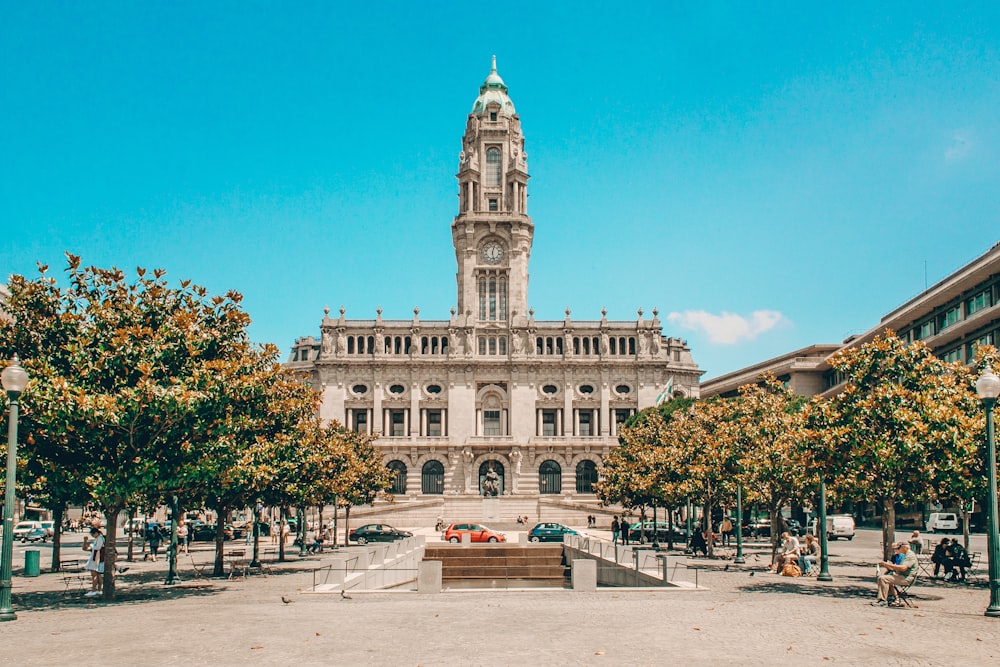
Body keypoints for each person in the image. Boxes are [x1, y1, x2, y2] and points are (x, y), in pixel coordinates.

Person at [873, 542, 917, 607]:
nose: (897, 550)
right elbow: (899, 568)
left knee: (883, 578)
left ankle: (882, 600)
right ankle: (891, 598)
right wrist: (887, 566)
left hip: (906, 578)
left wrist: (888, 564)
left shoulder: (910, 555)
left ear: (904, 547)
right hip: (902, 576)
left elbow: (903, 568)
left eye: (898, 548)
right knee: (886, 577)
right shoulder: (906, 555)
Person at [83, 525, 105, 597]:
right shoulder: (99, 538)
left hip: (96, 557)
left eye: (93, 534)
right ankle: (98, 589)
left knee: (94, 574)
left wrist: (92, 546)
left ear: (96, 533)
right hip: (96, 557)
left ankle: (94, 590)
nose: (92, 536)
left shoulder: (100, 538)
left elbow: (98, 547)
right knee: (98, 574)